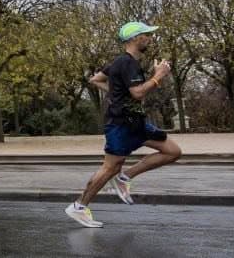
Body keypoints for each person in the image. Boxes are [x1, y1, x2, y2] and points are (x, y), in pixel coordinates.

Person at [66, 21, 183, 228]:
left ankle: (125, 177)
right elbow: (137, 93)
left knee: (172, 151)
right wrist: (158, 76)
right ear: (136, 38)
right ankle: (79, 206)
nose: (150, 38)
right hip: (120, 124)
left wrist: (116, 93)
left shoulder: (121, 63)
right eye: (147, 34)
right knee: (110, 167)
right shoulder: (127, 63)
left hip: (136, 122)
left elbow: (96, 79)